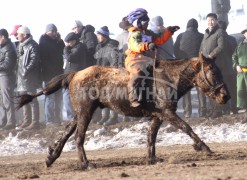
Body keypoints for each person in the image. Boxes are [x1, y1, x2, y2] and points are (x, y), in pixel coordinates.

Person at [125, 8, 179, 107]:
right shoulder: (134, 33)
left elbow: (159, 39)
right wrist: (147, 45)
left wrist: (169, 31)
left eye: (148, 21)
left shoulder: (148, 33)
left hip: (148, 60)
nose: (147, 23)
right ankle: (132, 96)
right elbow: (135, 45)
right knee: (138, 73)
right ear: (137, 22)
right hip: (135, 59)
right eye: (145, 21)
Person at [174, 18, 205, 118]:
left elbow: (175, 49)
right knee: (200, 88)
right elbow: (204, 50)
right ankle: (202, 111)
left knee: (186, 90)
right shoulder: (201, 36)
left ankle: (187, 112)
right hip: (198, 65)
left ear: (187, 26)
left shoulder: (180, 36)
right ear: (197, 26)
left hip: (185, 66)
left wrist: (181, 60)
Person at [15, 26, 41, 130]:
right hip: (21, 77)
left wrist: (25, 71)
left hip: (29, 77)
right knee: (23, 99)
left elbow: (34, 60)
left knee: (31, 99)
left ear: (24, 35)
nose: (17, 36)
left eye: (18, 34)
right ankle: (27, 121)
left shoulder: (32, 45)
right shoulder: (21, 45)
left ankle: (35, 122)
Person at [39, 24, 65, 127]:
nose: (55, 33)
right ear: (48, 31)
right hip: (49, 75)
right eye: (53, 32)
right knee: (50, 98)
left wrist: (60, 40)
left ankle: (58, 118)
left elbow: (63, 50)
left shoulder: (56, 41)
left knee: (58, 97)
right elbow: (44, 60)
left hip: (58, 73)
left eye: (56, 32)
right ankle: (49, 120)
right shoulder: (43, 42)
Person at [200, 13, 225, 119]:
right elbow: (202, 47)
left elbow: (221, 46)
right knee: (209, 86)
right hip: (206, 64)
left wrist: (211, 55)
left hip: (215, 63)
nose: (210, 22)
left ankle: (218, 110)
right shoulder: (206, 33)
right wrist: (201, 57)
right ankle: (212, 109)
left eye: (213, 20)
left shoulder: (219, 32)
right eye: (209, 20)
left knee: (216, 86)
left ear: (216, 20)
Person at [94, 26, 120, 126]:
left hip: (109, 75)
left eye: (99, 35)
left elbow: (115, 63)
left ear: (104, 36)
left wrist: (111, 75)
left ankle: (113, 117)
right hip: (100, 74)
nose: (97, 36)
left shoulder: (112, 46)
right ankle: (104, 116)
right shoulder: (99, 46)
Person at [63, 32, 88, 121]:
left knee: (75, 96)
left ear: (74, 40)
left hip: (76, 75)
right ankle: (72, 116)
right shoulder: (73, 48)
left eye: (69, 42)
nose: (68, 44)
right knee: (68, 96)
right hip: (69, 74)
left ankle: (77, 116)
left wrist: (66, 49)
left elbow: (70, 58)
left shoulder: (79, 48)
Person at [217, 21, 238, 115]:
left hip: (221, 69)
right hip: (232, 68)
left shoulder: (217, 40)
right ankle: (234, 108)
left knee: (223, 90)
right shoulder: (232, 39)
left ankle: (225, 109)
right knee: (233, 89)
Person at [0, 29, 17, 130]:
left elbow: (8, 64)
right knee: (2, 99)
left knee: (7, 99)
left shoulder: (9, 47)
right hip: (1, 75)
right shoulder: (2, 47)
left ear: (2, 37)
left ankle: (11, 121)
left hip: (6, 76)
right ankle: (3, 120)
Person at [232, 27, 247, 123]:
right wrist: (236, 65)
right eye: (246, 32)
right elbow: (234, 57)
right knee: (242, 94)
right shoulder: (240, 46)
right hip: (241, 74)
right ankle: (246, 114)